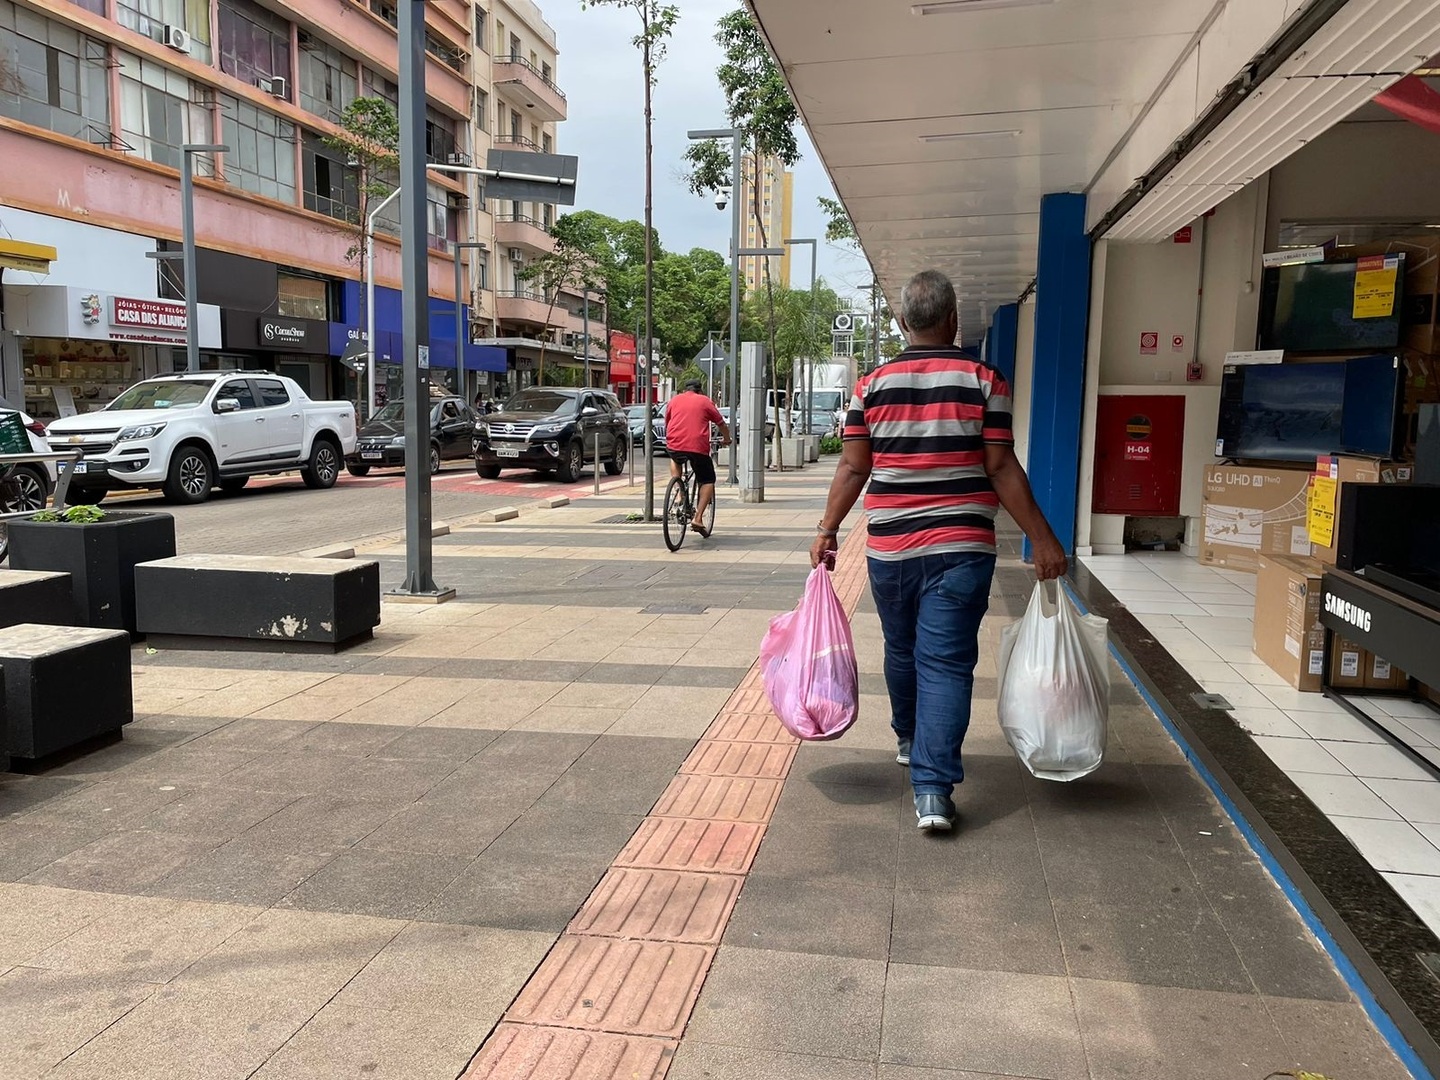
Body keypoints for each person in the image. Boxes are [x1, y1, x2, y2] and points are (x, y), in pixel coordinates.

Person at [810, 269, 1068, 833]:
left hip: (892, 548)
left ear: (903, 323)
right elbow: (1000, 466)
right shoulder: (984, 379)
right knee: (946, 663)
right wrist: (1044, 538)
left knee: (902, 649)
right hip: (962, 548)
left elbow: (855, 465)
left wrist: (828, 529)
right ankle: (932, 791)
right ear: (952, 319)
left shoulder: (870, 386)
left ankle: (908, 738)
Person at [664, 380, 730, 538]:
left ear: (685, 389)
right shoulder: (705, 401)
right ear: (699, 391)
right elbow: (721, 423)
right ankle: (698, 518)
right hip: (697, 447)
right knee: (707, 480)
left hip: (674, 443)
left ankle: (679, 492)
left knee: (674, 458)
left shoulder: (674, 400)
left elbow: (668, 422)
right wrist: (727, 439)